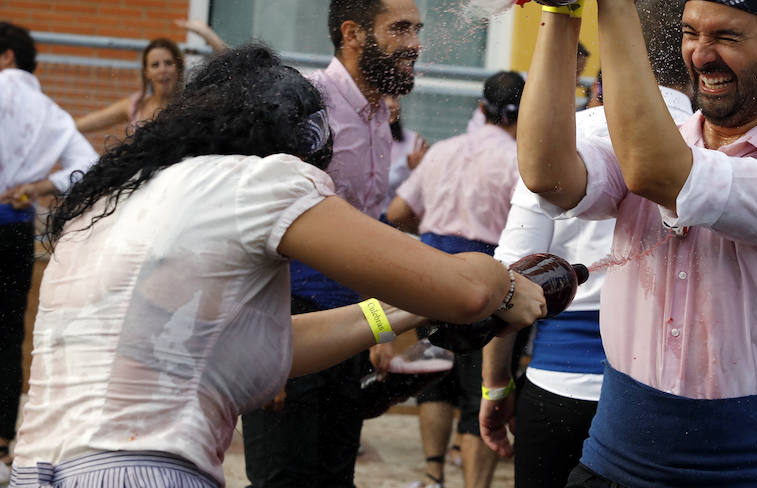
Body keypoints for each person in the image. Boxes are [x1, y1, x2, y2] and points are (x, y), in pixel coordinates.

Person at [7, 44, 546, 488]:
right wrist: (503, 282)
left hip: (36, 472)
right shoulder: (262, 179)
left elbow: (270, 347)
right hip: (143, 471)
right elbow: (464, 292)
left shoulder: (109, 203)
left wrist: (397, 313)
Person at [514, 0, 757, 486]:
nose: (699, 56)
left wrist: (618, 0)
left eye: (726, 37)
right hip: (611, 465)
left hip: (748, 476)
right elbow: (546, 173)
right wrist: (563, 8)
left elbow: (658, 173)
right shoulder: (657, 146)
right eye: (691, 34)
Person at [479, 0, 693, 488]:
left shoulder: (560, 141)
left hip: (559, 389)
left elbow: (507, 281)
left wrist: (494, 388)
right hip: (666, 395)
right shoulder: (711, 144)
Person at [241, 0, 425, 488]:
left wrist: (382, 329)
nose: (414, 45)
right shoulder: (303, 104)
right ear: (352, 34)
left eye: (416, 30)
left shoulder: (378, 117)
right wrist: (265, 350)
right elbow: (259, 227)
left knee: (335, 477)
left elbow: (366, 234)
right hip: (288, 324)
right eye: (400, 30)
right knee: (283, 479)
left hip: (351, 327)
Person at [387, 70, 525, 488]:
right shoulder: (520, 160)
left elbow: (396, 214)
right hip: (483, 280)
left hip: (430, 274)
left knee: (435, 379)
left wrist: (428, 229)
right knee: (475, 390)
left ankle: (432, 475)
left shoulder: (443, 150)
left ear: (481, 109)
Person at [0, 21, 99, 485]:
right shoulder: (49, 110)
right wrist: (42, 185)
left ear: (5, 57)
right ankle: (2, 443)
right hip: (16, 229)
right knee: (7, 332)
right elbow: (88, 163)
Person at [76, 21, 226, 135]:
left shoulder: (191, 102)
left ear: (178, 68)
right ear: (146, 72)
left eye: (168, 63)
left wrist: (206, 33)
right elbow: (82, 125)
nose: (163, 70)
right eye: (155, 65)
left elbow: (231, 63)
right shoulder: (136, 105)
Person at [380, 94, 429, 218]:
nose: (391, 104)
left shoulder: (413, 142)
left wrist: (416, 170)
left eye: (395, 98)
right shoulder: (359, 140)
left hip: (396, 218)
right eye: (384, 97)